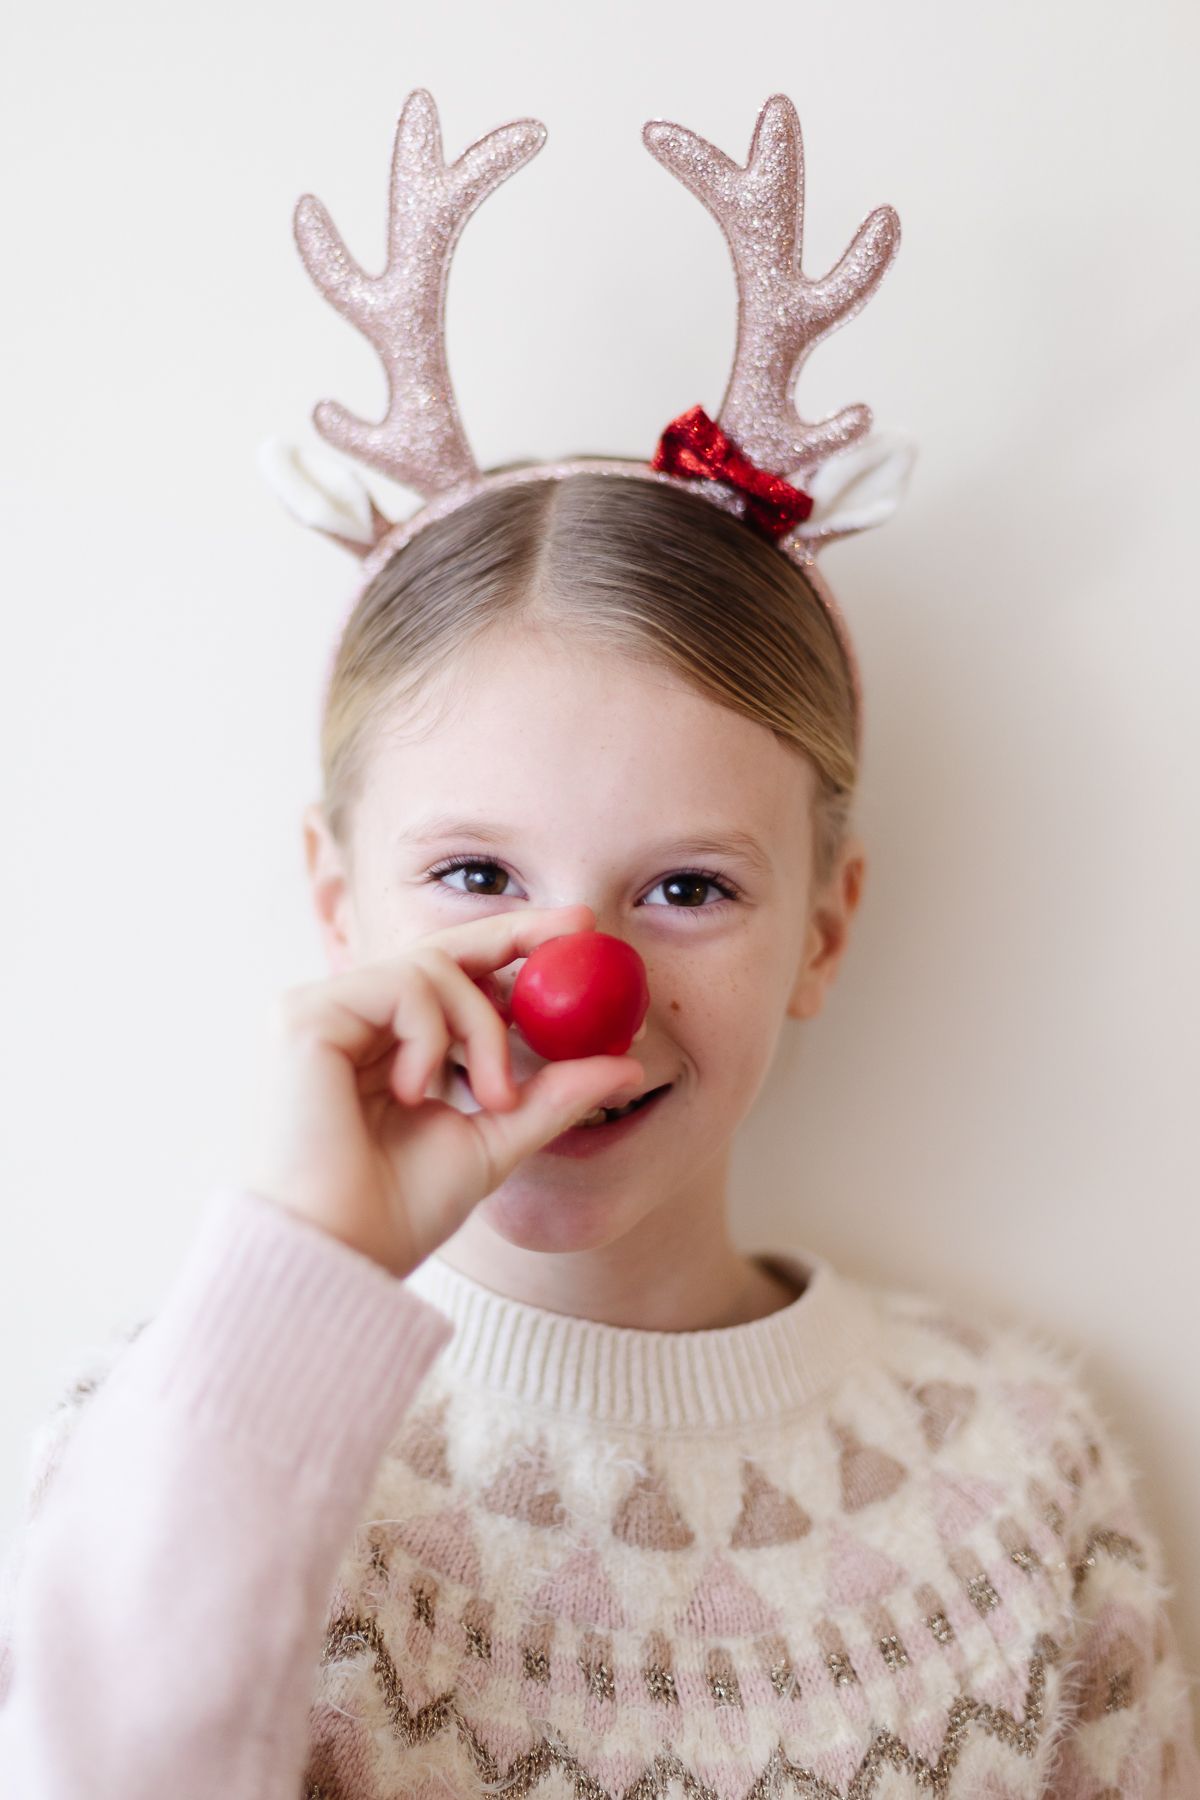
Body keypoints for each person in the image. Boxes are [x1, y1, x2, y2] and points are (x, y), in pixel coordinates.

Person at [2, 90, 1198, 1800]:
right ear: (340, 906)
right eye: (477, 874)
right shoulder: (177, 1440)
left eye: (688, 890)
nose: (579, 983)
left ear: (824, 931)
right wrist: (302, 1271)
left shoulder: (1018, 1476)